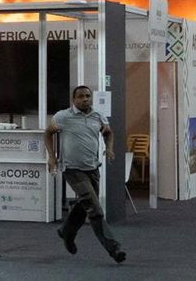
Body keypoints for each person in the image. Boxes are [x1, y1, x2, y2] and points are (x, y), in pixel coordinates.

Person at [45, 86, 126, 263]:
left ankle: (67, 230)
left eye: (88, 96)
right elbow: (48, 133)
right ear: (73, 100)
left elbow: (108, 134)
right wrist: (52, 157)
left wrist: (110, 149)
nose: (85, 99)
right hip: (73, 169)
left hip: (92, 169)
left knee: (86, 204)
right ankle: (114, 248)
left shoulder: (98, 116)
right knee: (95, 210)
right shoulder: (63, 117)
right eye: (80, 97)